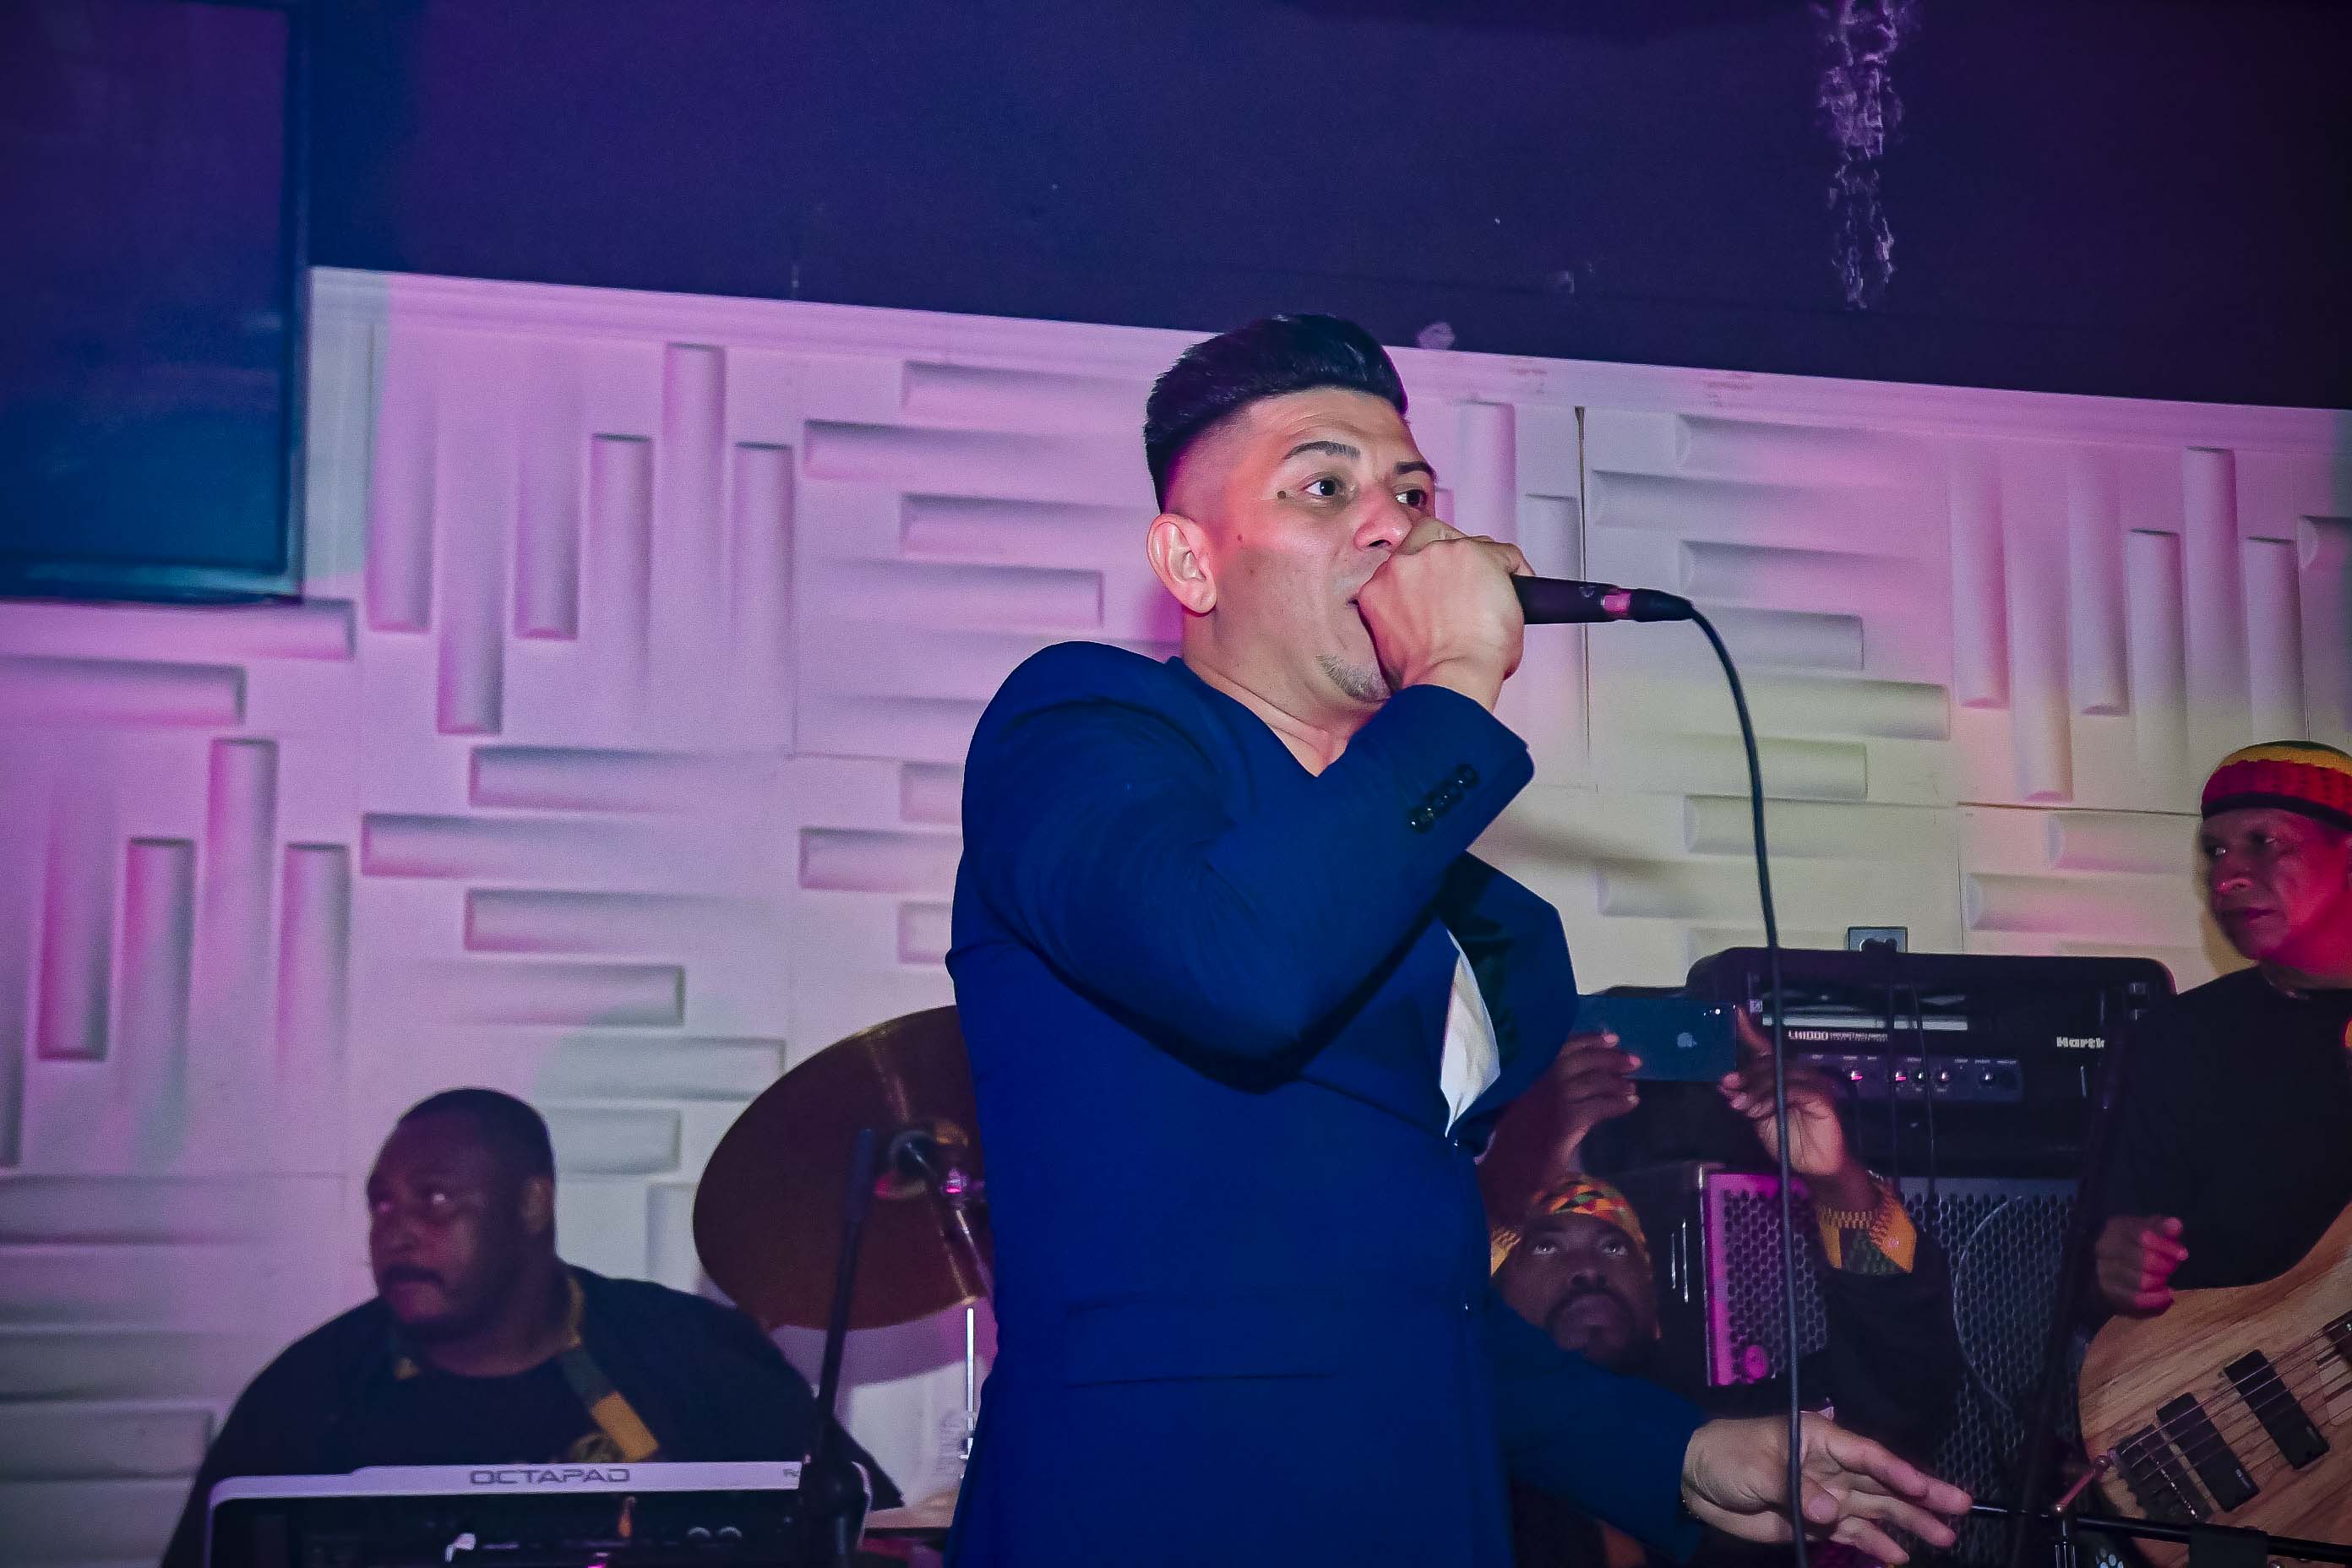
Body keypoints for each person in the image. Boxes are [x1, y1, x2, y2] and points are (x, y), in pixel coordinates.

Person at [945, 314, 1967, 1568]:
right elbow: (1245, 966)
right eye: (1324, 487)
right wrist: (1456, 675)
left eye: (1414, 492)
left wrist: (1672, 1452)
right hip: (1154, 1514)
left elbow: (1403, 1306)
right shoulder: (1078, 728)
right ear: (1190, 562)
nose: (1394, 525)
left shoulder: (1492, 931)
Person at [160, 1088, 897, 1568]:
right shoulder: (309, 1394)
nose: (396, 1231)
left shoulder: (693, 1352)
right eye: (381, 1204)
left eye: (434, 1199)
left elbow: (881, 1535)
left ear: (532, 1205)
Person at [1489, 1017, 1963, 1568]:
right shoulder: (1465, 1446)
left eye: (1615, 1248)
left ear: (1656, 1309)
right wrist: (1524, 1164)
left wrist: (1838, 1186)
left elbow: (1897, 1379)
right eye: (1545, 1246)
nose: (1587, 1269)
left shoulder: (1733, 1435)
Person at [2093, 740, 2352, 1317]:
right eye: (2214, 851)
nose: (2227, 875)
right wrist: (2112, 1267)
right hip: (2235, 1368)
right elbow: (2112, 1257)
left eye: (2263, 843)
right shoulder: (2178, 1037)